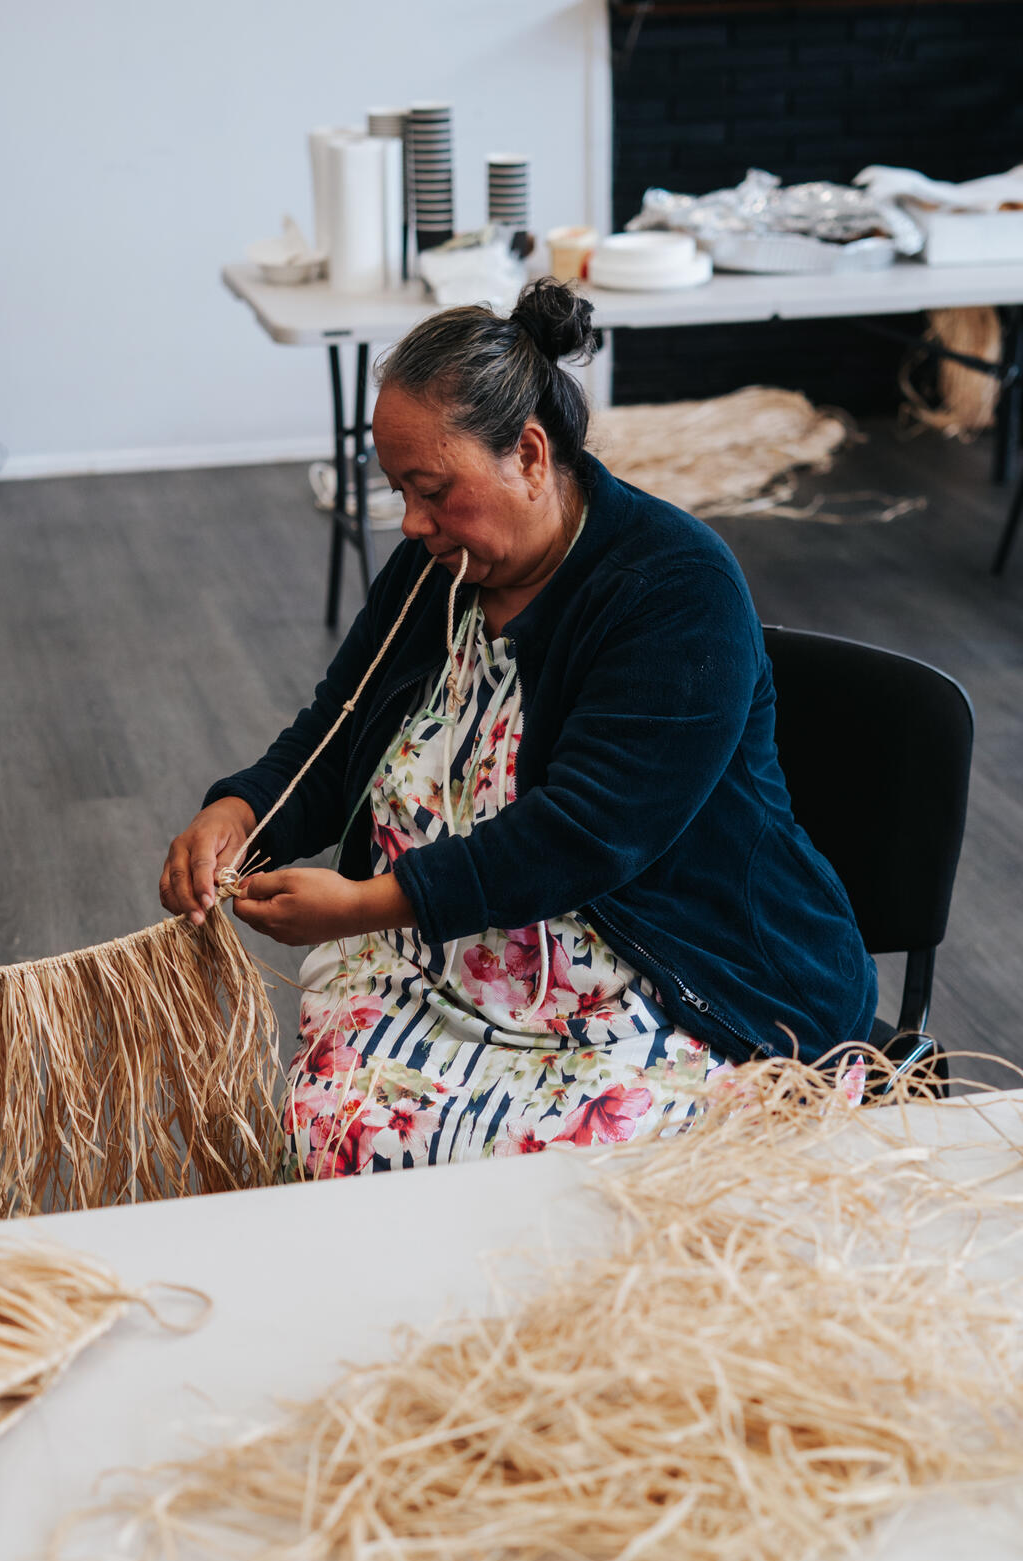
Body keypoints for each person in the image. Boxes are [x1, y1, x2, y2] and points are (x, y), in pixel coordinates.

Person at [160, 279, 876, 1178]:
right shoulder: (436, 570)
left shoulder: (673, 587)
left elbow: (582, 834)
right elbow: (338, 734)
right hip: (452, 968)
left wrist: (366, 908)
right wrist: (242, 813)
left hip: (669, 982)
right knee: (342, 1130)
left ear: (530, 456)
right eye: (399, 492)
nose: (413, 524)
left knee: (543, 1172)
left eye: (432, 491)